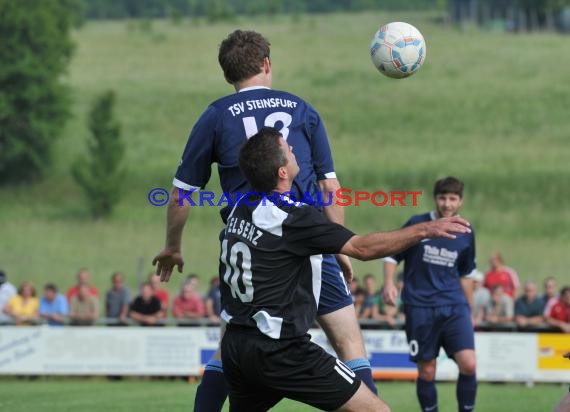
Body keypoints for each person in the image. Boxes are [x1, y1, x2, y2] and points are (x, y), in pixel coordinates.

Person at [152, 29, 378, 410]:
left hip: (249, 244)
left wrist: (173, 246)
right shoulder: (302, 108)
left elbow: (181, 194)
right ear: (267, 64)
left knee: (231, 349)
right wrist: (338, 246)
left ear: (228, 74)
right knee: (349, 343)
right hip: (305, 238)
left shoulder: (216, 115)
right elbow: (330, 186)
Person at [218, 128, 470, 411]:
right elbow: (362, 248)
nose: (294, 149)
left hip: (237, 346)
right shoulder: (291, 216)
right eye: (288, 148)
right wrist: (426, 229)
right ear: (282, 172)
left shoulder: (239, 207)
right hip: (281, 350)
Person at [383, 176, 477, 412]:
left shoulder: (466, 231)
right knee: (427, 370)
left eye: (452, 198)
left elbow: (466, 272)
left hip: (454, 307)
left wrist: (471, 309)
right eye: (442, 198)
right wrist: (389, 283)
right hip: (420, 307)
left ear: (460, 201)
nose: (447, 203)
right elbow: (392, 255)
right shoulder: (418, 223)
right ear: (435, 199)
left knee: (469, 364)